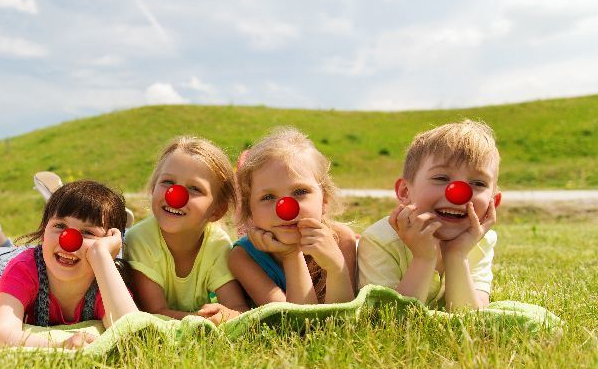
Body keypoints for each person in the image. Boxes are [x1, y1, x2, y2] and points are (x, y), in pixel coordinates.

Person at [357, 120, 500, 311]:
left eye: (478, 183)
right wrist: (423, 258)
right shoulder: (380, 240)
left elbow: (471, 317)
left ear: (493, 201)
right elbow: (390, 320)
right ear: (405, 192)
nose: (458, 194)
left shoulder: (481, 240)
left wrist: (457, 255)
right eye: (441, 178)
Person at [0, 180, 138, 349]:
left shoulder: (105, 279)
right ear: (44, 231)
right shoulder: (24, 268)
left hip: (67, 255)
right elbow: (0, 335)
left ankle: (117, 240)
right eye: (60, 226)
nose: (68, 240)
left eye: (87, 232)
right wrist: (62, 344)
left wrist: (103, 255)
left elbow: (132, 333)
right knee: (2, 251)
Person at [226, 127, 357, 309]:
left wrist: (336, 268)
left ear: (324, 200)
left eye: (300, 192)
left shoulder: (341, 239)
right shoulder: (242, 257)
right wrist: (291, 254)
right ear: (250, 211)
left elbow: (341, 321)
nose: (286, 209)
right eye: (268, 197)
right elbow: (297, 322)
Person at [126, 136, 249, 324]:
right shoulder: (139, 240)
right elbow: (153, 312)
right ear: (153, 188)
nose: (176, 196)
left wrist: (226, 314)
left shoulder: (217, 243)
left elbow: (237, 308)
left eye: (194, 188)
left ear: (216, 210)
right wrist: (205, 320)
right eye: (167, 182)